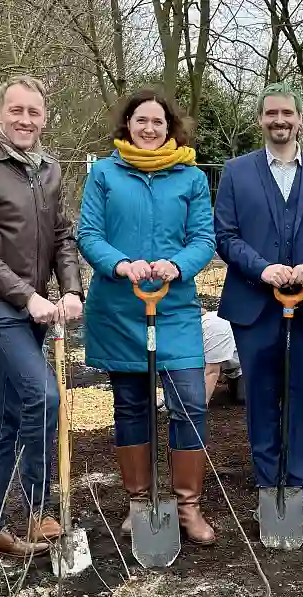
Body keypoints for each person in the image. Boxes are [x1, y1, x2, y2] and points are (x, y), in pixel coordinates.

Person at [0, 76, 84, 558]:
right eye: (17, 110)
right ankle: (41, 509)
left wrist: (69, 288)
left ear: (46, 118)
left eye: (35, 112)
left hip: (36, 305)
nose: (26, 120)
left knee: (4, 416)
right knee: (44, 397)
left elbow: (64, 235)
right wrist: (27, 296)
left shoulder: (49, 168)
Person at [77, 88, 217, 546]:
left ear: (170, 127)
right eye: (142, 121)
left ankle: (186, 505)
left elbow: (203, 238)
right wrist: (121, 263)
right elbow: (89, 233)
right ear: (128, 125)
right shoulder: (103, 173)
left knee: (191, 402)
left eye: (158, 121)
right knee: (131, 405)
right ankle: (139, 503)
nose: (150, 129)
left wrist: (178, 265)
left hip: (173, 306)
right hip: (120, 306)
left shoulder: (191, 177)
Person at [214, 82, 303, 525]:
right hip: (254, 305)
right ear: (260, 120)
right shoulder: (236, 172)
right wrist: (263, 268)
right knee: (260, 397)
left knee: (302, 397)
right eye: (271, 113)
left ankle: (301, 490)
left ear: (300, 119)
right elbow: (226, 235)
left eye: (287, 114)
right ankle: (267, 485)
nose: (279, 121)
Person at [201, 307, 244, 405]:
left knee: (243, 398)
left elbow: (211, 371)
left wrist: (199, 407)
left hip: (246, 364)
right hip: (228, 364)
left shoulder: (212, 326)